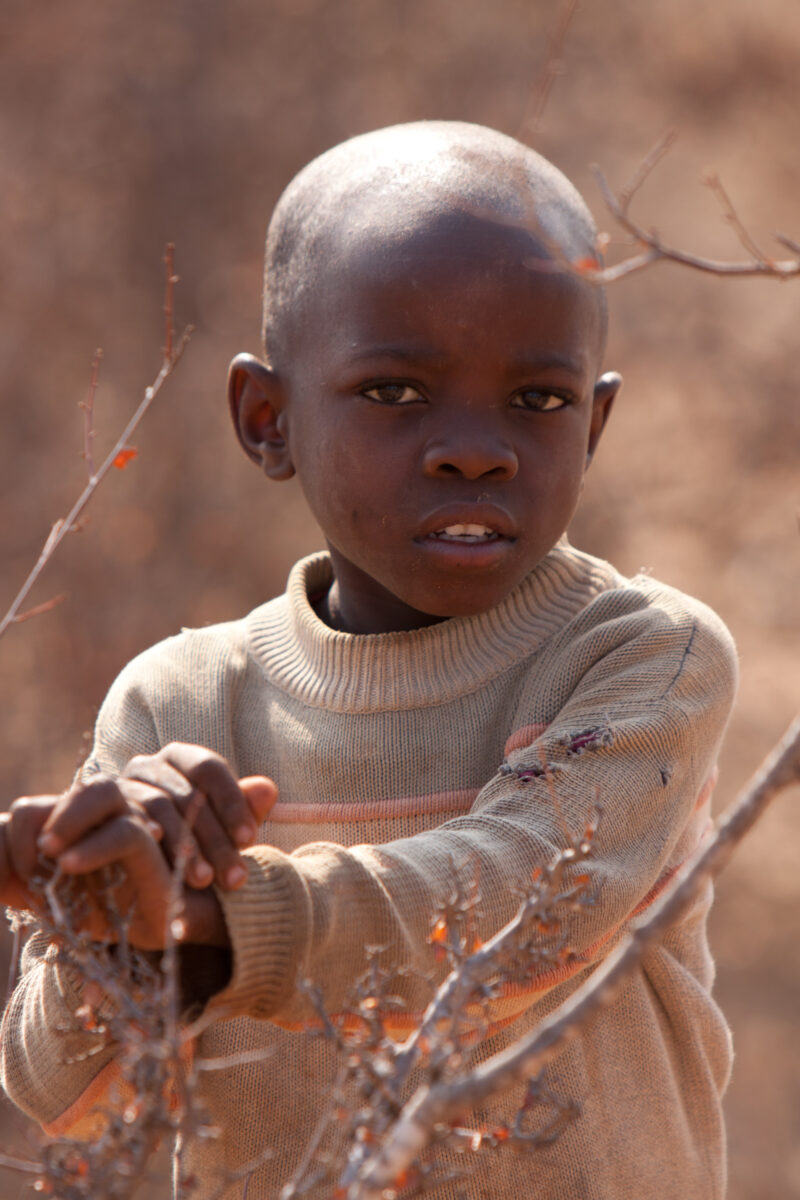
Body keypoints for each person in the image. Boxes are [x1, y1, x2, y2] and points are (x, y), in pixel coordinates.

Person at [0, 121, 737, 1199]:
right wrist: (101, 928)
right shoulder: (180, 702)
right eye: (394, 391)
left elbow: (507, 915)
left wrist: (209, 916)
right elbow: (60, 1094)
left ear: (593, 425)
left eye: (537, 400)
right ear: (267, 420)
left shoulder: (641, 656)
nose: (475, 447)